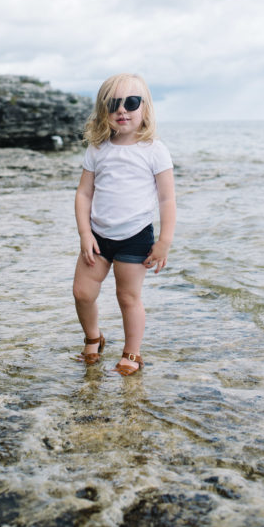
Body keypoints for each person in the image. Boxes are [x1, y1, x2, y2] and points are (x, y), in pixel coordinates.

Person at [72, 72, 176, 375]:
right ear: (104, 110)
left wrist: (164, 241)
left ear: (145, 109)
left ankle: (132, 352)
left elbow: (167, 200)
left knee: (128, 297)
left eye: (131, 103)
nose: (122, 110)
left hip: (135, 237)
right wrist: (84, 233)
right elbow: (83, 193)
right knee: (82, 292)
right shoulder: (98, 149)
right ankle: (94, 337)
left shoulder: (155, 150)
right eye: (114, 103)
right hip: (98, 236)